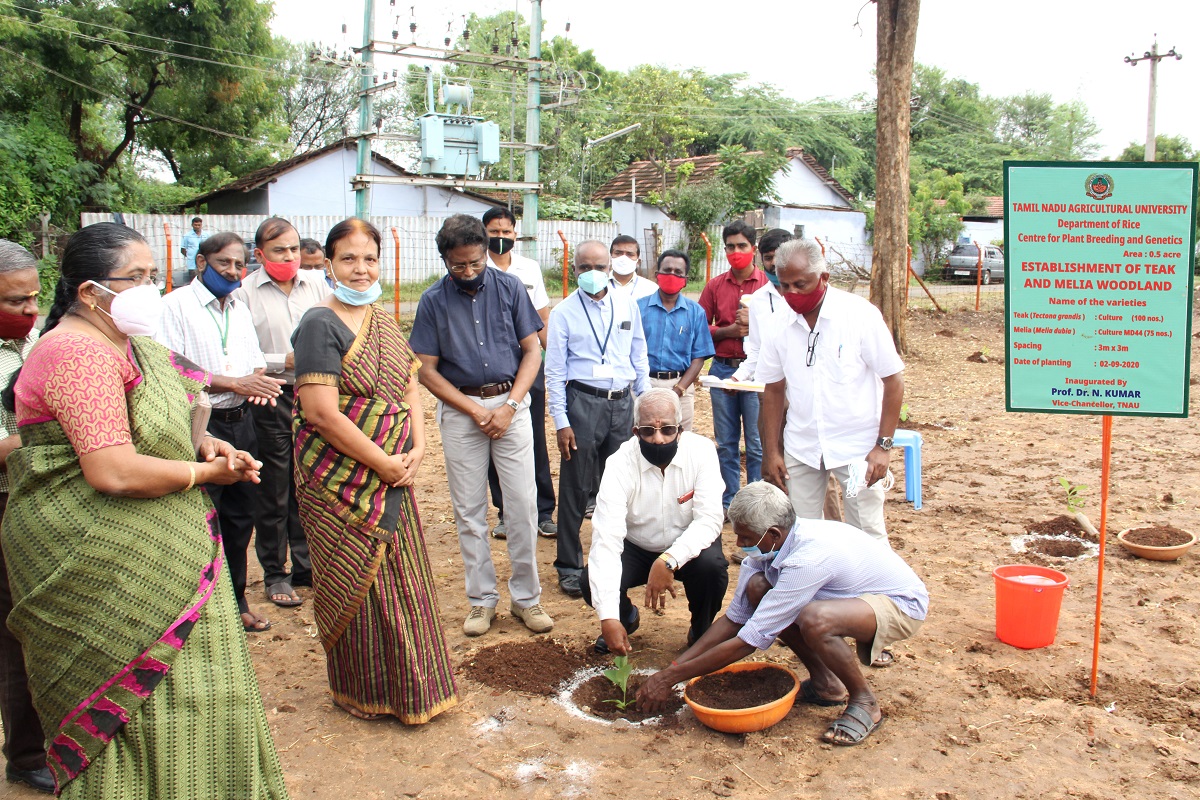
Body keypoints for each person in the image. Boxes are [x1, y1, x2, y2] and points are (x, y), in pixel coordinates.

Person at [1, 223, 288, 797]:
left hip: (157, 549)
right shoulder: (74, 352)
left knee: (200, 697)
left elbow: (165, 422)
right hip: (94, 555)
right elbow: (113, 469)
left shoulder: (131, 348)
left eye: (154, 276)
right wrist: (205, 473)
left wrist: (207, 443)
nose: (151, 291)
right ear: (89, 292)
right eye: (135, 279)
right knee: (132, 707)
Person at [292, 218, 458, 723]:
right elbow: (321, 413)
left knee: (404, 580)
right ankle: (365, 691)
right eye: (348, 259)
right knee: (358, 585)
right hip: (340, 479)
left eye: (369, 259)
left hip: (394, 470)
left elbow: (409, 383)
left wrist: (419, 444)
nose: (360, 270)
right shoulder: (319, 324)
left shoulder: (381, 318)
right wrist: (383, 462)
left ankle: (415, 687)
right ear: (327, 262)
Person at [637, 482, 928, 747]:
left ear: (773, 533)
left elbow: (750, 639)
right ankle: (826, 685)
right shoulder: (767, 551)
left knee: (817, 620)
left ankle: (865, 702)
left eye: (745, 537)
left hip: (899, 605)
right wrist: (672, 668)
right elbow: (735, 620)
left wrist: (670, 678)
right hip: (848, 599)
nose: (738, 545)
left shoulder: (809, 558)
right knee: (758, 588)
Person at [411, 214, 553, 637]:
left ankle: (527, 599)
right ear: (446, 260)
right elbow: (426, 370)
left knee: (523, 507)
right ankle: (481, 601)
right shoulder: (433, 301)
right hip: (460, 408)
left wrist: (510, 405)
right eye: (459, 266)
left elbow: (532, 352)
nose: (469, 272)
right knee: (469, 510)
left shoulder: (510, 288)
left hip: (511, 403)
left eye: (476, 263)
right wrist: (473, 410)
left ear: (485, 253)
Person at [157, 232, 285, 631]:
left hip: (241, 421)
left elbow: (254, 363)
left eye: (238, 264)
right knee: (200, 518)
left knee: (239, 516)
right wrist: (234, 383)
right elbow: (170, 368)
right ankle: (196, 611)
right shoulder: (174, 306)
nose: (232, 271)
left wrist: (258, 383)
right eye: (222, 264)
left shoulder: (239, 308)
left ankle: (237, 600)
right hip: (199, 425)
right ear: (200, 263)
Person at [759, 239, 904, 541]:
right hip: (802, 449)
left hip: (857, 454)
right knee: (801, 534)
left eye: (801, 284)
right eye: (784, 285)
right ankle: (813, 588)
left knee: (864, 532)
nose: (792, 294)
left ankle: (872, 590)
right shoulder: (778, 323)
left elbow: (893, 381)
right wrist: (771, 451)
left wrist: (883, 447)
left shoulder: (858, 316)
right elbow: (772, 391)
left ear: (823, 278)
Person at [581, 388, 726, 654]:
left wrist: (669, 559)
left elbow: (710, 520)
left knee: (712, 568)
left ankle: (701, 629)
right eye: (648, 431)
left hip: (687, 544)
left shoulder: (702, 452)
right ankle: (625, 620)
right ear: (635, 432)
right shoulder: (619, 464)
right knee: (590, 579)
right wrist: (609, 618)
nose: (658, 439)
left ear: (680, 430)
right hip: (636, 546)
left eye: (667, 430)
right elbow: (607, 539)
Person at [235, 217, 330, 608]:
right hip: (270, 395)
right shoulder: (244, 294)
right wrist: (281, 361)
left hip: (315, 394)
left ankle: (306, 567)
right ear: (259, 255)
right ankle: (275, 573)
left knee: (309, 479)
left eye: (293, 249)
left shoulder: (318, 286)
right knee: (274, 486)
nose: (289, 257)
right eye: (279, 251)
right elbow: (241, 352)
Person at [546, 240, 649, 597]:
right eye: (584, 267)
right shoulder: (563, 313)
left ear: (611, 267)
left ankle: (614, 561)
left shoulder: (627, 305)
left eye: (600, 266)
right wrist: (561, 420)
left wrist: (646, 400)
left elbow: (639, 353)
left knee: (619, 485)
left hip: (621, 404)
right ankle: (570, 566)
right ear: (574, 270)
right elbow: (555, 372)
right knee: (576, 487)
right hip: (582, 404)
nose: (592, 273)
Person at [0, 241, 52, 795]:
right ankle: (26, 754)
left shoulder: (34, 341)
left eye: (35, 297)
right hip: (5, 501)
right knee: (17, 630)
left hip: (38, 497)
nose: (29, 311)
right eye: (16, 302)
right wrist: (53, 435)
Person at [481, 206, 557, 539]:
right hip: (492, 367)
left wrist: (554, 361)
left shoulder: (529, 268)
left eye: (506, 232)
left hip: (530, 365)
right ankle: (505, 512)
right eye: (493, 232)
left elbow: (541, 321)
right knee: (494, 439)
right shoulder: (474, 268)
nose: (500, 238)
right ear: (484, 233)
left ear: (516, 233)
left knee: (534, 440)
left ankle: (543, 511)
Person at [699, 220, 769, 511]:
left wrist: (753, 327)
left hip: (757, 372)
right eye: (730, 247)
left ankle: (755, 504)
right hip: (723, 369)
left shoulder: (767, 285)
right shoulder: (716, 285)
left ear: (753, 249)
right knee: (726, 443)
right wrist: (728, 331)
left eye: (742, 246)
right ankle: (730, 502)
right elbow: (700, 326)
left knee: (756, 442)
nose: (736, 251)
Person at [636, 250, 713, 431]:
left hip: (680, 387)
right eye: (667, 270)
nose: (672, 275)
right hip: (643, 384)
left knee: (680, 441)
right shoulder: (638, 308)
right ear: (657, 276)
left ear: (685, 279)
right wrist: (641, 386)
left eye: (678, 272)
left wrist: (679, 389)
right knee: (640, 438)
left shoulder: (695, 312)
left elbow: (699, 357)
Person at [608, 235, 657, 300]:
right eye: (618, 253)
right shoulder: (600, 286)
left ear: (638, 261)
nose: (623, 258)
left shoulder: (651, 289)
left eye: (630, 254)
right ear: (610, 257)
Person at [180, 216, 210, 282]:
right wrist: (190, 256)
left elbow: (210, 247)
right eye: (195, 225)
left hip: (203, 261)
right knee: (193, 280)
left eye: (199, 225)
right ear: (192, 225)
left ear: (201, 225)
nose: (197, 226)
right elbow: (183, 249)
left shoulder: (206, 235)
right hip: (192, 264)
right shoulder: (187, 236)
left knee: (204, 280)